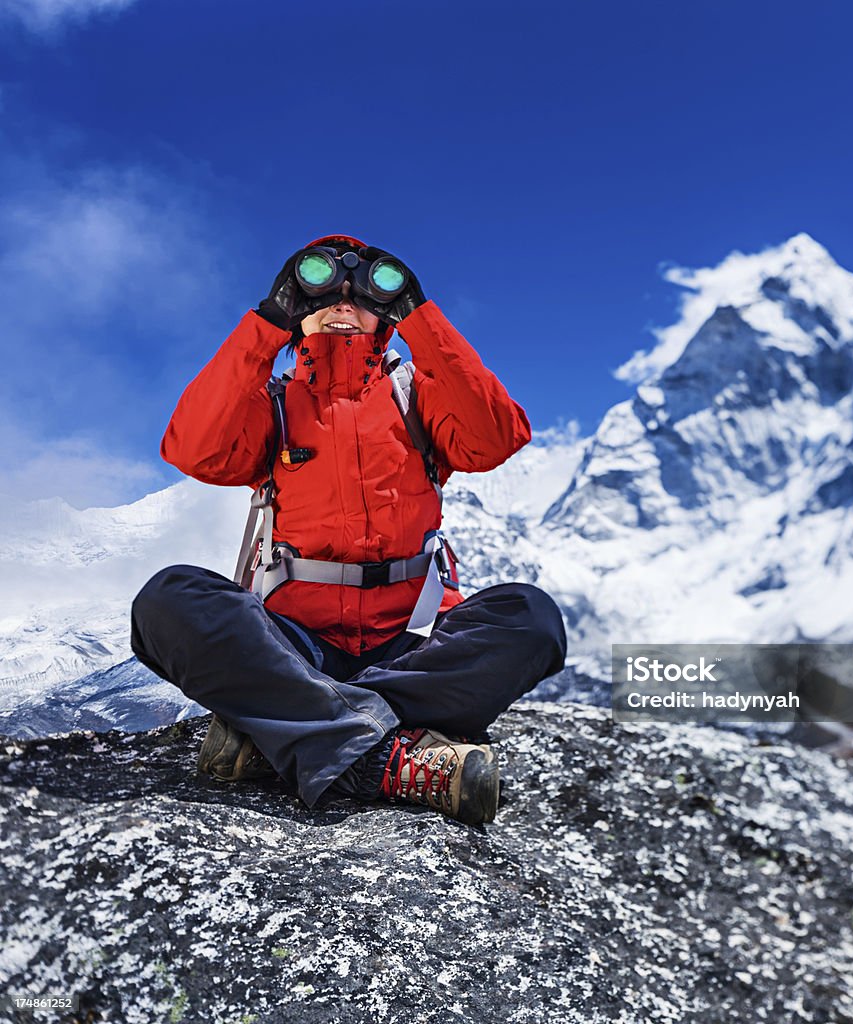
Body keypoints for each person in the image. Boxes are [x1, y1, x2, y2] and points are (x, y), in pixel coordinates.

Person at [130, 234, 567, 825]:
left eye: (361, 295)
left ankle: (288, 730)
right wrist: (265, 323)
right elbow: (195, 450)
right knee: (168, 601)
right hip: (297, 644)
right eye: (321, 292)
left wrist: (421, 316)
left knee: (532, 619)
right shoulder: (275, 406)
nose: (341, 303)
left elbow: (496, 438)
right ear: (297, 313)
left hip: (412, 642)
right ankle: (386, 755)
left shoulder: (418, 398)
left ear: (384, 316)